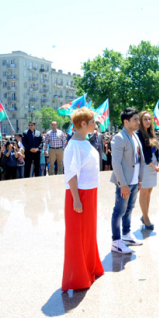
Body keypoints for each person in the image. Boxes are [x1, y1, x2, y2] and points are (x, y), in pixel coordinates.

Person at [61, 107, 104, 292]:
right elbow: (71, 174)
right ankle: (79, 276)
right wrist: (76, 199)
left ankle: (90, 268)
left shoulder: (85, 142)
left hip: (90, 193)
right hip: (79, 195)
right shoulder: (73, 146)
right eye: (93, 122)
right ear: (83, 124)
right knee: (78, 236)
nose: (96, 125)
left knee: (88, 233)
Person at [110, 107, 145, 254]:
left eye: (138, 119)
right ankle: (116, 241)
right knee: (119, 211)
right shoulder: (119, 138)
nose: (138, 122)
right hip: (124, 182)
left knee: (129, 209)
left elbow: (139, 159)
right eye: (135, 119)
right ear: (126, 121)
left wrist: (139, 180)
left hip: (134, 180)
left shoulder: (135, 136)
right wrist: (123, 184)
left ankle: (126, 235)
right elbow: (116, 163)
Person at [137, 110, 159, 230]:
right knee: (144, 192)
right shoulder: (139, 134)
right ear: (141, 121)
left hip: (154, 165)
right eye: (145, 119)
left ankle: (145, 215)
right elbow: (143, 154)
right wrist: (153, 165)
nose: (148, 121)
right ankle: (146, 218)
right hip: (146, 166)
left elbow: (157, 150)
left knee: (149, 192)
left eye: (149, 119)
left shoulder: (152, 134)